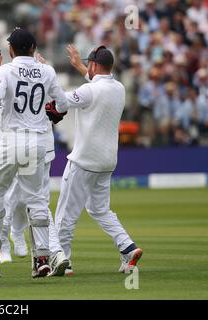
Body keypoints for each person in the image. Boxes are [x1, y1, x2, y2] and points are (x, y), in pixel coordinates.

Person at [0, 28, 69, 279]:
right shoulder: (47, 71)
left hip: (10, 140)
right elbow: (62, 105)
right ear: (33, 49)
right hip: (36, 144)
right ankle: (41, 261)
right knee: (37, 201)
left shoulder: (5, 70)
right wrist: (52, 112)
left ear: (11, 50)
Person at [53, 44, 143, 275]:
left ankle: (65, 262)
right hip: (107, 161)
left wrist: (47, 74)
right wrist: (79, 66)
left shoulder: (88, 90)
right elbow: (97, 85)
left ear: (94, 65)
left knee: (65, 214)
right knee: (99, 209)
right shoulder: (119, 88)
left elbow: (62, 102)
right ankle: (127, 248)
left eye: (88, 65)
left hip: (84, 161)